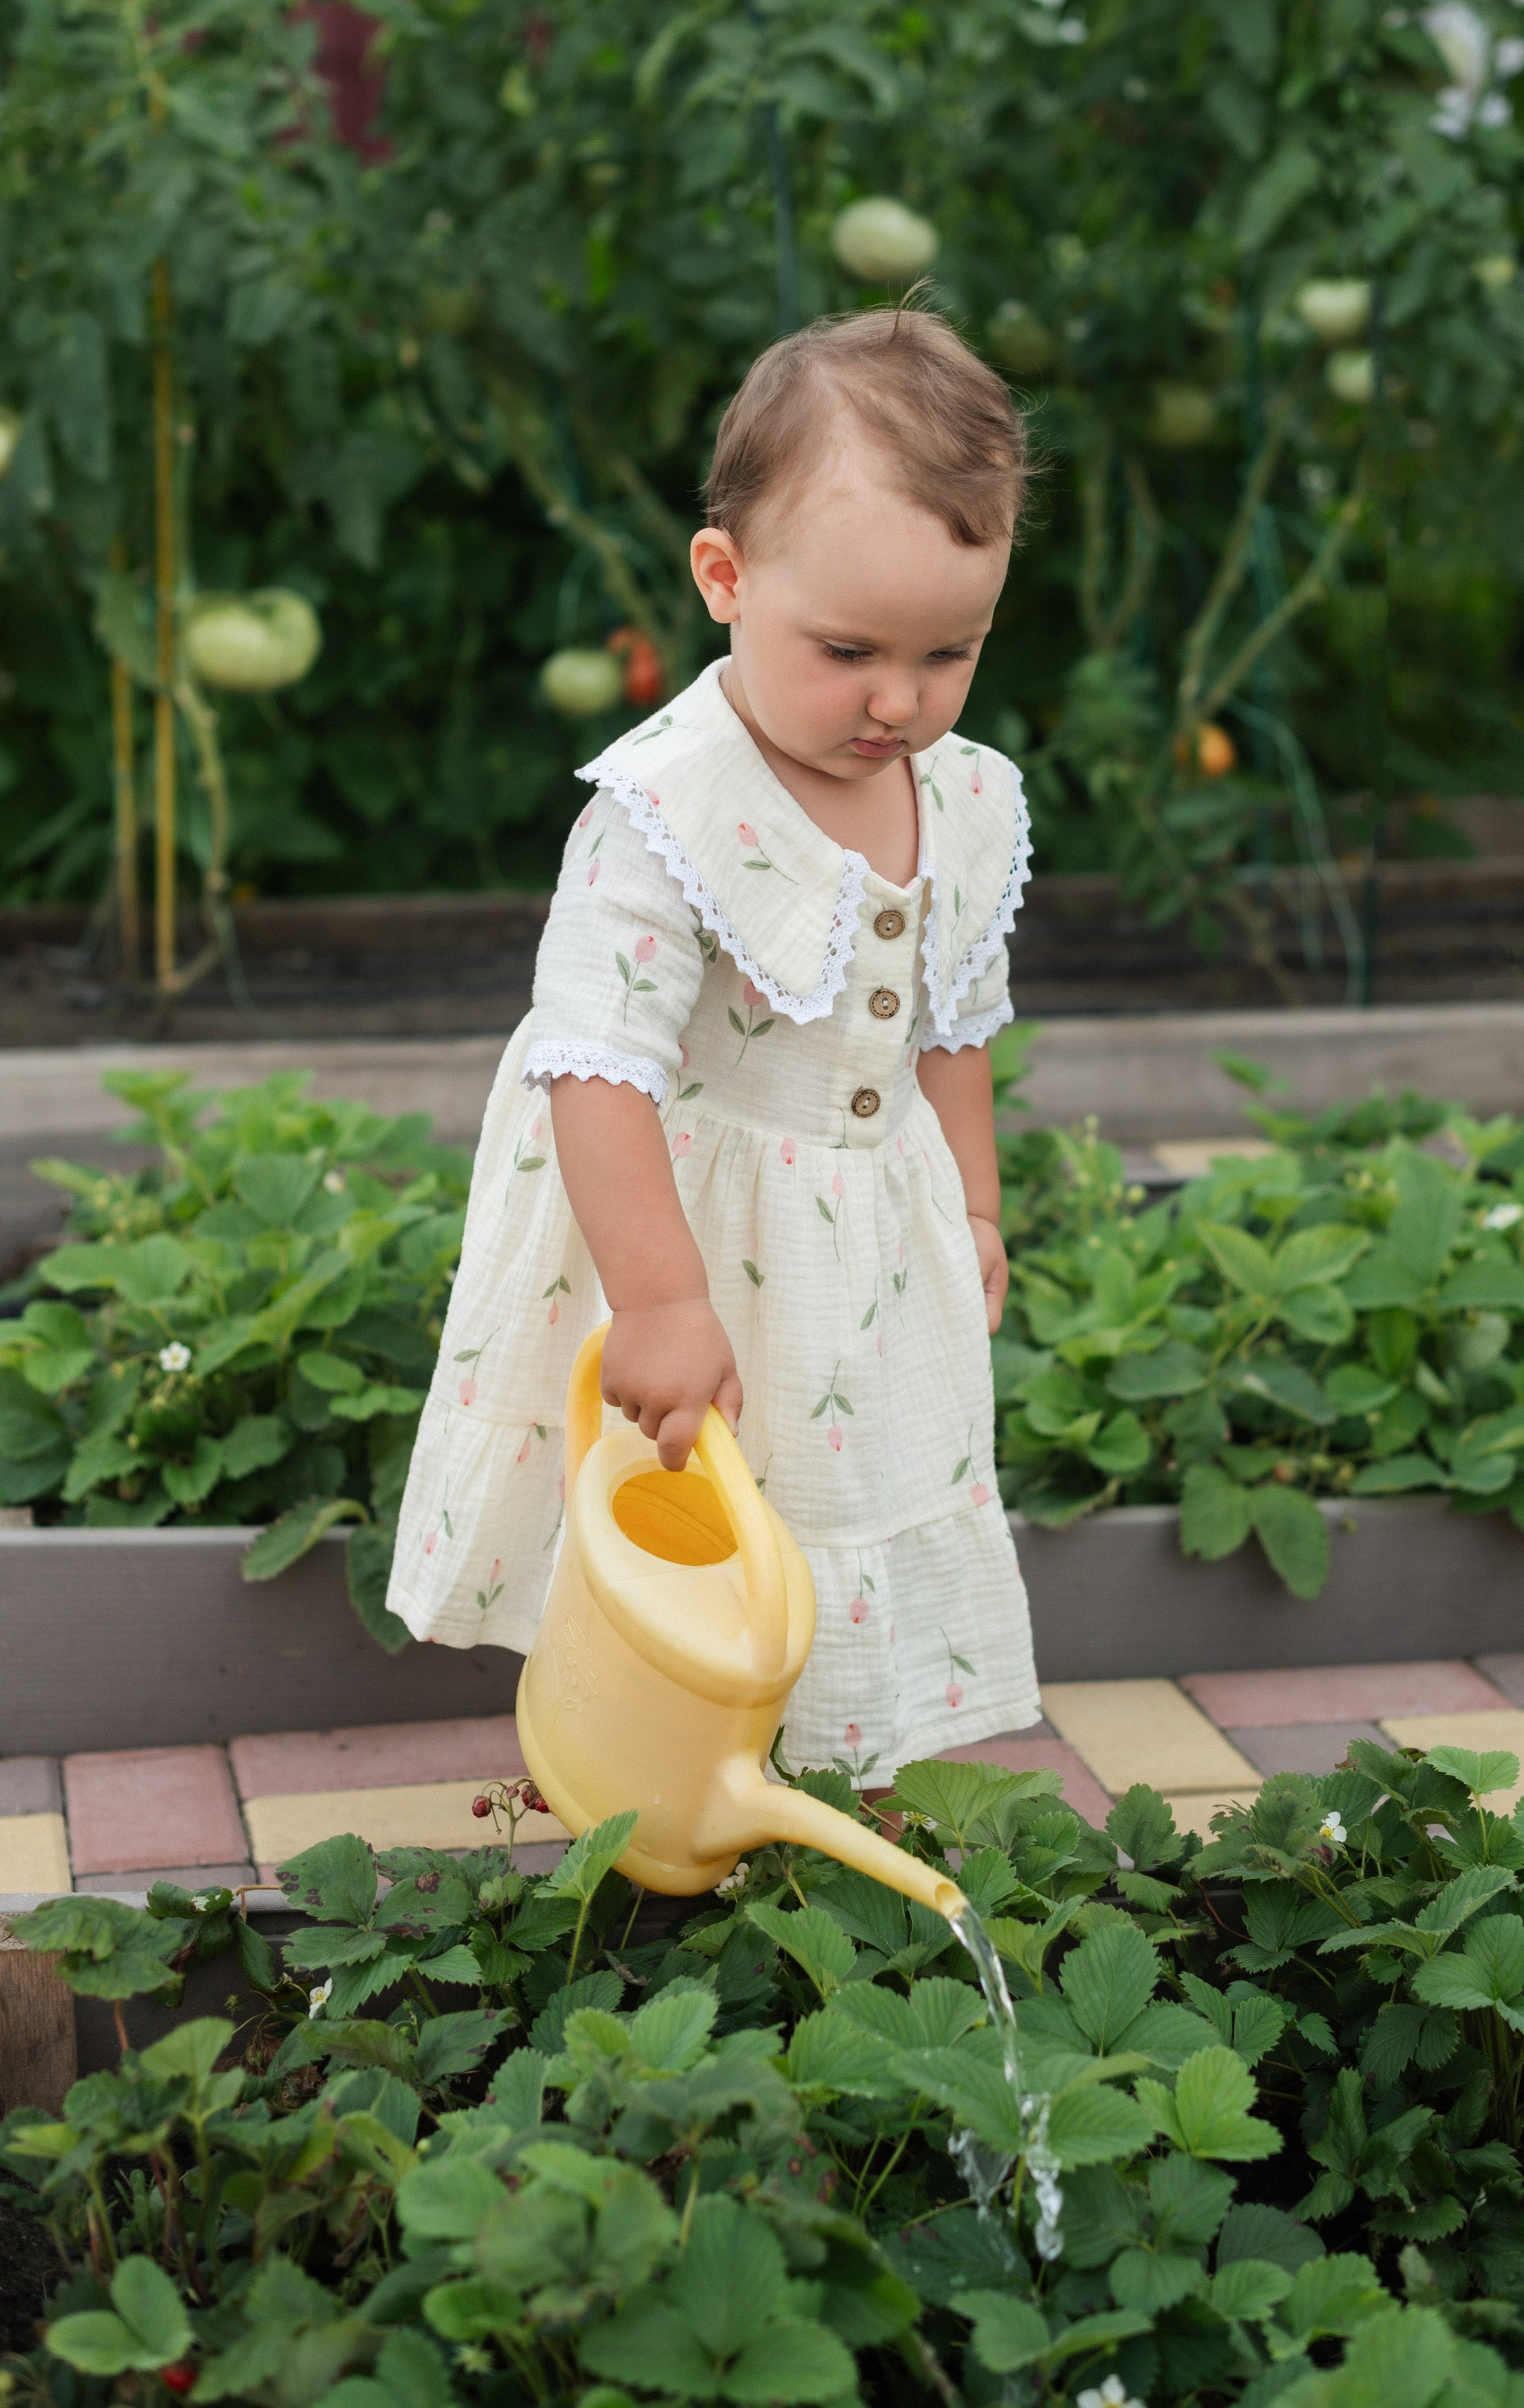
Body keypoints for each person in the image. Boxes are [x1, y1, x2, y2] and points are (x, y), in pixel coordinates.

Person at [386, 302, 1039, 1785]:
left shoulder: (966, 794)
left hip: (867, 1229)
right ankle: (648, 1763)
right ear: (723, 578)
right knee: (693, 1495)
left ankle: (822, 1755)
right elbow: (594, 1061)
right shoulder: (666, 809)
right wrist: (659, 1302)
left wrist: (978, 1200)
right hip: (684, 1223)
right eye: (850, 649)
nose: (899, 700)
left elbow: (952, 1016)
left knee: (842, 1475)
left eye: (950, 651)